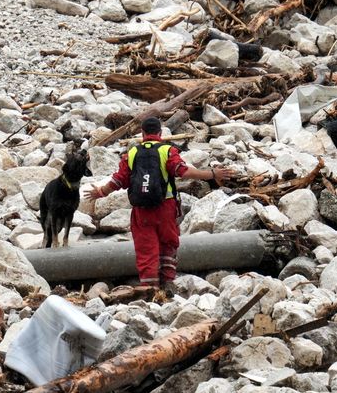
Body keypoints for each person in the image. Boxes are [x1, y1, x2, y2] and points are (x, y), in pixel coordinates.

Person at [85, 117, 235, 291]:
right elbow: (183, 171)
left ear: (142, 133)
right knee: (168, 244)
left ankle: (150, 288)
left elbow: (119, 180)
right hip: (166, 207)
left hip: (142, 211)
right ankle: (167, 283)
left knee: (146, 249)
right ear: (160, 133)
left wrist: (101, 192)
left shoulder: (132, 153)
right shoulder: (167, 151)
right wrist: (212, 173)